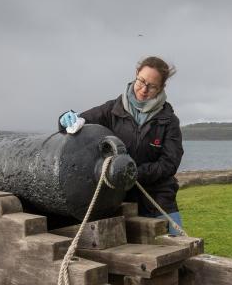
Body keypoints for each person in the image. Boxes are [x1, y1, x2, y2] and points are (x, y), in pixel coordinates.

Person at [58, 56, 184, 233]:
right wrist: (65, 118)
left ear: (161, 87)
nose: (144, 89)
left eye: (152, 86)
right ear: (136, 75)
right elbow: (79, 121)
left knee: (177, 248)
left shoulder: (169, 121)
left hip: (158, 198)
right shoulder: (111, 110)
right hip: (118, 199)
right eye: (141, 81)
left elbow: (169, 164)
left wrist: (132, 173)